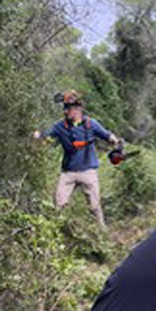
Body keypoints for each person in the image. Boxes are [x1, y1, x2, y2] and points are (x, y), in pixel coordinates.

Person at [33, 90, 120, 227]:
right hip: (68, 173)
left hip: (88, 171)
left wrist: (114, 141)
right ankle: (56, 233)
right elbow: (46, 134)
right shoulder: (59, 126)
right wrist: (38, 136)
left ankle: (102, 236)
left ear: (77, 109)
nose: (65, 112)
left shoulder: (91, 124)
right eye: (65, 108)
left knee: (95, 207)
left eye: (68, 108)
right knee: (59, 205)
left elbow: (107, 135)